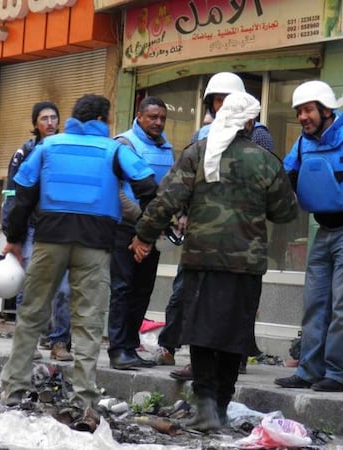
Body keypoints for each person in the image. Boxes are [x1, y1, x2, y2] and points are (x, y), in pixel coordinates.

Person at [131, 91, 298, 431]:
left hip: (202, 260)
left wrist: (143, 236)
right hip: (245, 264)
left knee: (202, 332)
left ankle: (206, 406)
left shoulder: (197, 153)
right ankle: (220, 408)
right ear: (250, 122)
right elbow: (285, 212)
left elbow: (166, 201)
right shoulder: (266, 160)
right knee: (233, 335)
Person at [0, 94, 158, 408]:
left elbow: (22, 193)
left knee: (31, 315)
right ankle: (84, 398)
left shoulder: (47, 147)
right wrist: (144, 234)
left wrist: (14, 238)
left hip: (48, 242)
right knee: (88, 322)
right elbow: (148, 187)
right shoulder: (114, 150)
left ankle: (13, 390)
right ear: (100, 119)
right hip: (95, 246)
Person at [273, 80, 343, 392]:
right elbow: (286, 180)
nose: (302, 117)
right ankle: (309, 371)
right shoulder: (302, 143)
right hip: (324, 231)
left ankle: (337, 375)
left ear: (326, 110)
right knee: (315, 303)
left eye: (308, 110)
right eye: (299, 111)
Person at [164, 72, 274, 380]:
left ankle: (231, 361)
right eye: (217, 100)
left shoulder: (259, 137)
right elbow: (183, 181)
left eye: (227, 100)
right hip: (203, 235)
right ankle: (186, 355)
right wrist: (184, 213)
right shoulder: (201, 137)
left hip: (242, 237)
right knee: (192, 298)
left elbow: (273, 190)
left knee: (236, 304)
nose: (222, 105)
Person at [0, 101, 73, 362]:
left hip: (62, 229)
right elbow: (12, 195)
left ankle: (59, 342)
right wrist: (12, 235)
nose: (50, 123)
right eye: (44, 118)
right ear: (35, 124)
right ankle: (27, 343)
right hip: (32, 230)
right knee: (29, 287)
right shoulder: (25, 152)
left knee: (64, 289)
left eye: (54, 117)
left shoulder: (66, 150)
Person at [107, 97, 174, 370]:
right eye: (153, 117)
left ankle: (130, 346)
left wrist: (164, 220)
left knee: (142, 289)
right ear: (139, 116)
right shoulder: (124, 144)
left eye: (162, 118)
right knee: (122, 288)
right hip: (126, 228)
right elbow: (117, 191)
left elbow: (168, 188)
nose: (158, 123)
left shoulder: (166, 147)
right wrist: (145, 220)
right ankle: (117, 349)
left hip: (153, 228)